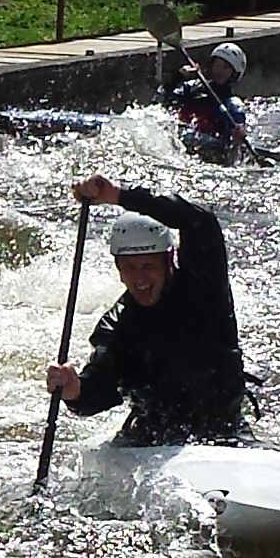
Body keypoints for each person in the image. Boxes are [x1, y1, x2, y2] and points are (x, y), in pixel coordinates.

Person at [44, 177, 252, 446]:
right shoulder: (117, 325)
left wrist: (118, 196)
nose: (140, 279)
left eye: (148, 267)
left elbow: (199, 220)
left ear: (169, 261)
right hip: (152, 437)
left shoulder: (203, 287)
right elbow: (100, 389)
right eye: (130, 268)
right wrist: (74, 391)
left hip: (223, 430)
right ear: (119, 270)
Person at [167, 41, 252, 165]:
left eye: (226, 67)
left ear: (235, 74)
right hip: (180, 141)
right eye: (217, 65)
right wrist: (177, 77)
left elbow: (232, 154)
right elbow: (160, 100)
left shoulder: (233, 106)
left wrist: (237, 140)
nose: (219, 71)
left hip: (207, 154)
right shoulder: (192, 87)